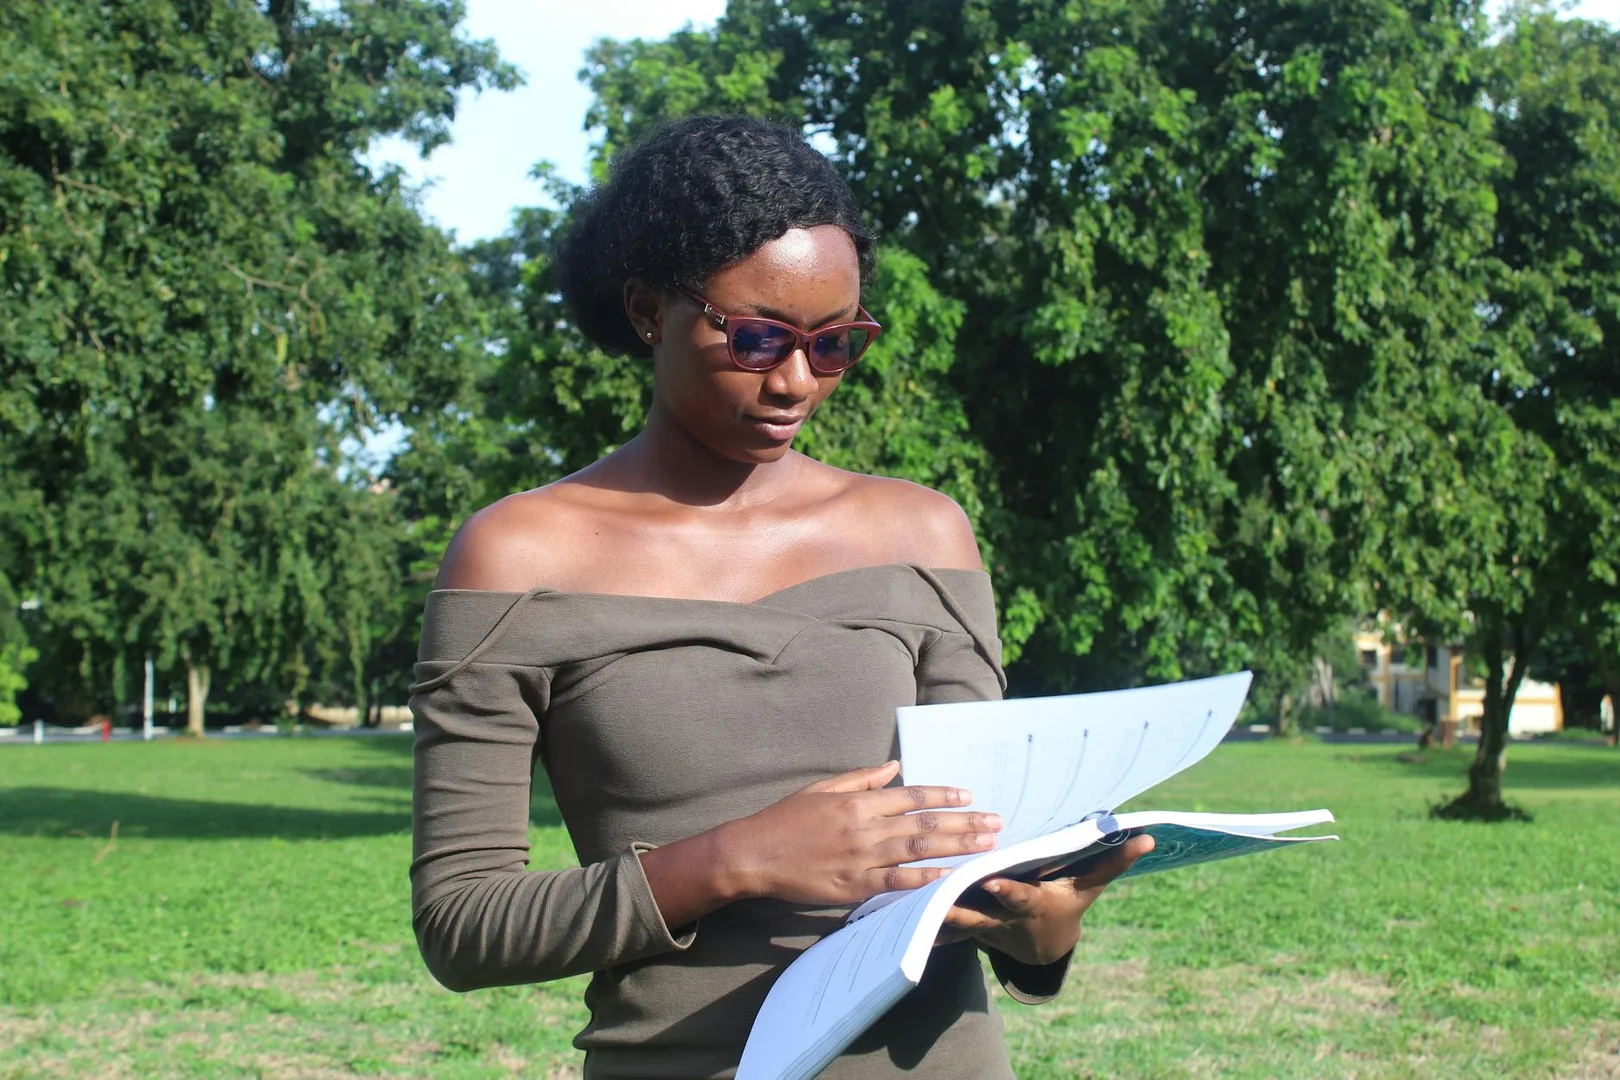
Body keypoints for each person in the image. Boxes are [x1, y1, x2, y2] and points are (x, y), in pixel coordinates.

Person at [409, 114, 1152, 1080]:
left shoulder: (923, 537)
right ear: (649, 311)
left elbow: (975, 851)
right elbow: (463, 926)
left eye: (835, 344)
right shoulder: (517, 558)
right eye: (759, 338)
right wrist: (738, 858)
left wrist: (1039, 936)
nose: (797, 381)